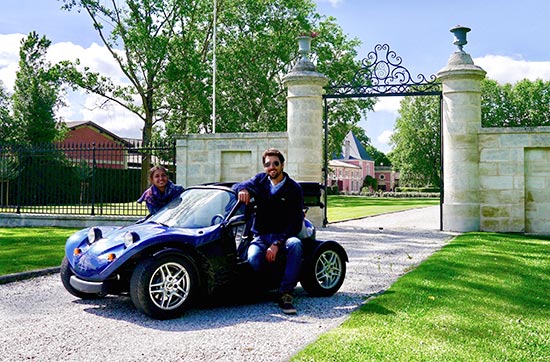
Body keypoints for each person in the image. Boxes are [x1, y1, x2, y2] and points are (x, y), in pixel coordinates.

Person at [234, 148, 304, 314]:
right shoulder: (260, 180)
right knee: (253, 258)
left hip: (284, 236)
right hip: (260, 236)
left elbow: (295, 222)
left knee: (296, 244)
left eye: (275, 163)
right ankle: (271, 285)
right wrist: (242, 190)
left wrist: (276, 243)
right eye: (267, 164)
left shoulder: (294, 189)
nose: (272, 167)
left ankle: (286, 292)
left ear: (282, 165)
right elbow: (238, 185)